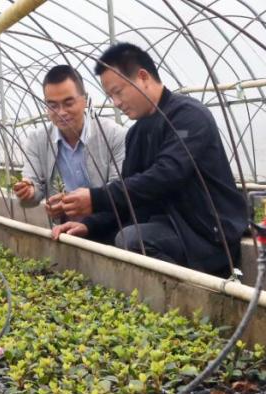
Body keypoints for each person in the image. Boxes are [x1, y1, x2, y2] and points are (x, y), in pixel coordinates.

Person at [59, 42, 247, 276]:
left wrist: (97, 198)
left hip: (206, 233)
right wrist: (89, 224)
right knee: (101, 236)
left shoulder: (189, 116)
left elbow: (166, 175)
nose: (116, 103)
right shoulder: (137, 133)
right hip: (169, 227)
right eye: (110, 96)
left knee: (131, 239)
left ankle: (194, 301)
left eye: (118, 92)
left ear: (143, 77)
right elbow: (129, 196)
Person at [13, 65, 127, 242]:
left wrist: (89, 207)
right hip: (65, 236)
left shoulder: (113, 135)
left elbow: (120, 191)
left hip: (111, 231)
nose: (61, 112)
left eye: (68, 103)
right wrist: (28, 191)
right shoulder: (38, 140)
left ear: (85, 100)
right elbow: (34, 188)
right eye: (52, 105)